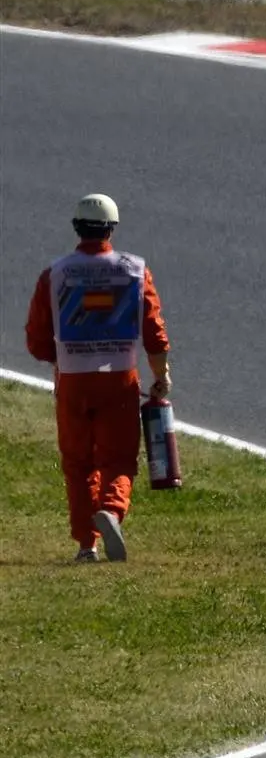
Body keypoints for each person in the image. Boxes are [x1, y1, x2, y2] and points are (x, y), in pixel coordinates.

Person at [23, 194, 172, 562]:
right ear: (112, 228)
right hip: (119, 377)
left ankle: (86, 543)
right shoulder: (135, 270)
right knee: (119, 458)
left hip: (73, 379)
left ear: (77, 227)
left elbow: (36, 338)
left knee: (77, 462)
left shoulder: (55, 273)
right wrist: (161, 375)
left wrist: (60, 358)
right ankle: (111, 509)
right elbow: (154, 333)